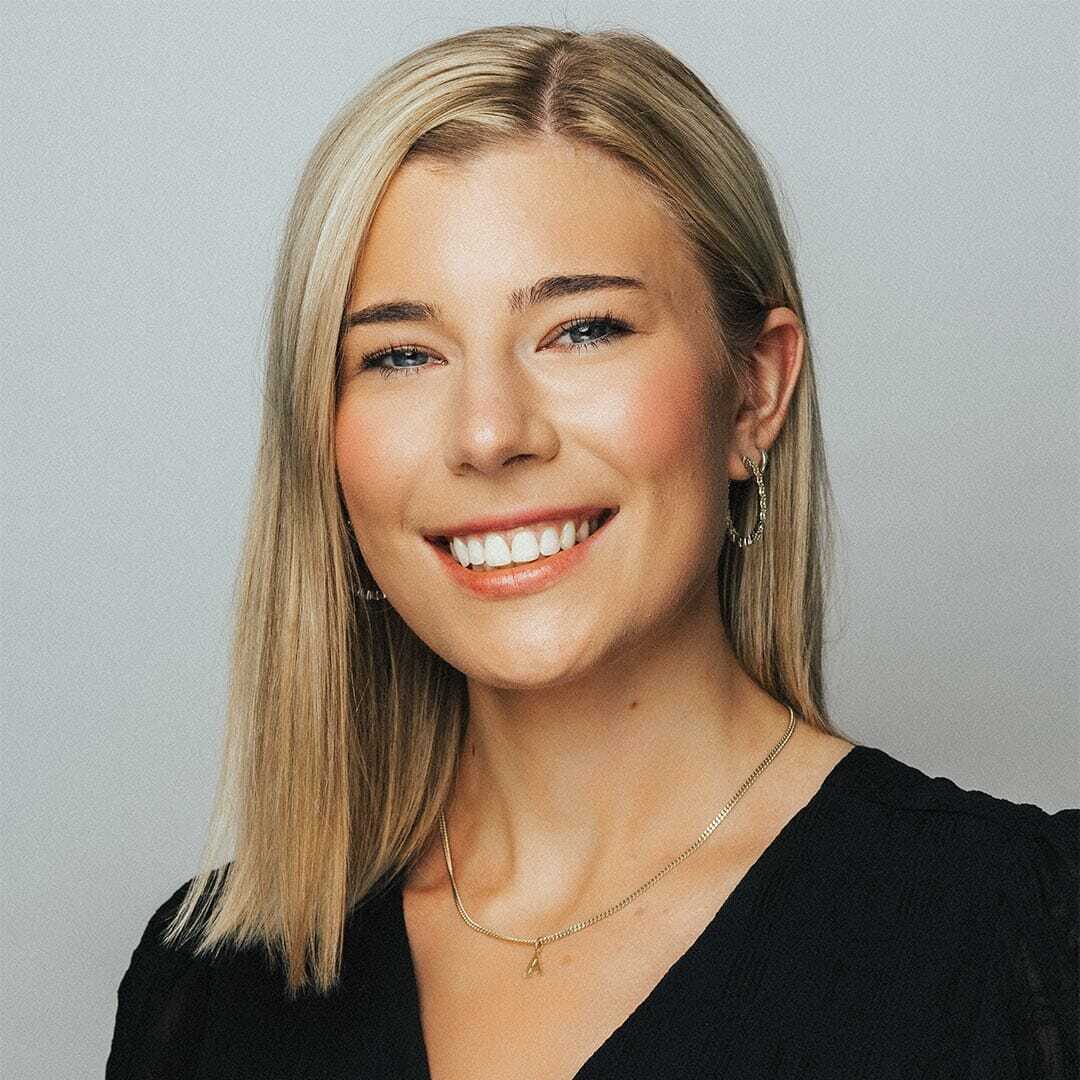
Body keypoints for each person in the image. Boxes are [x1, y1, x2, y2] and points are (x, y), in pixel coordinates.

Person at [105, 23, 1077, 1080]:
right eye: (402, 354)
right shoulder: (208, 990)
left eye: (582, 330)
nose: (489, 433)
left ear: (755, 390)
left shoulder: (1025, 936)